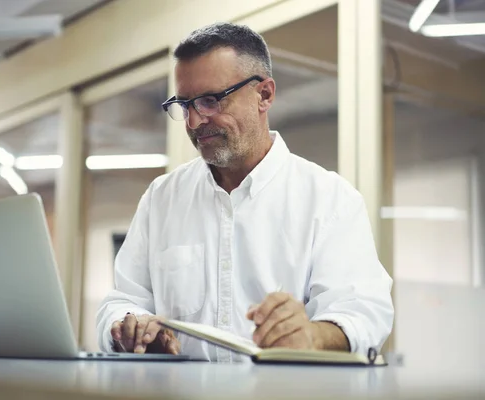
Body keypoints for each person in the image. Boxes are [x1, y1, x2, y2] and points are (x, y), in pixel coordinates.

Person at [96, 22, 394, 362]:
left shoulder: (330, 199)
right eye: (185, 105)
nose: (194, 122)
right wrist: (128, 327)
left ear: (264, 95)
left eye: (210, 101)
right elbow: (122, 300)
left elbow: (363, 314)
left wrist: (313, 336)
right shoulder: (162, 198)